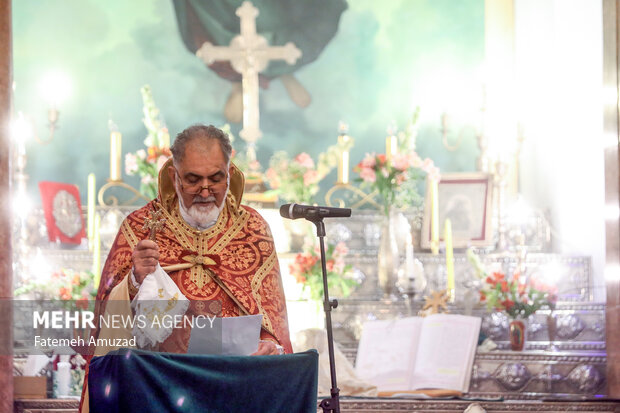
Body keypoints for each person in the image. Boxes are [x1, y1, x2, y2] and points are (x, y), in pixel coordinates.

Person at [79, 124, 291, 412]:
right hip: (159, 391)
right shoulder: (139, 228)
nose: (205, 190)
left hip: (233, 390)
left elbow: (272, 318)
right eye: (193, 180)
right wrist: (134, 281)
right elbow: (106, 321)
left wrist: (270, 345)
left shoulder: (253, 230)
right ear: (173, 176)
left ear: (230, 174)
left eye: (216, 179)